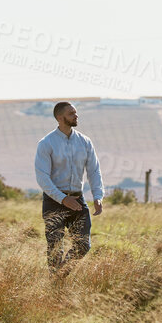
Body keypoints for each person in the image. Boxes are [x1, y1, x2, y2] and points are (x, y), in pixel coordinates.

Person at [33, 101, 103, 273]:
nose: (76, 116)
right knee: (55, 248)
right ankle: (56, 286)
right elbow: (42, 177)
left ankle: (59, 277)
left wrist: (97, 196)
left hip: (77, 200)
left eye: (75, 112)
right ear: (60, 118)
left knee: (83, 244)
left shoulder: (85, 142)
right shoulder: (46, 143)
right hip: (53, 201)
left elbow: (94, 170)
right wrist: (63, 199)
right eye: (71, 113)